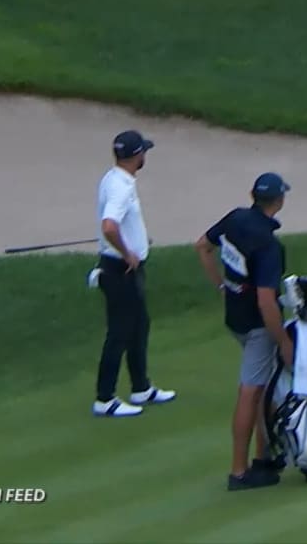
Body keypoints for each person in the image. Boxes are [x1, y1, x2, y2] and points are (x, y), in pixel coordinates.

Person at [193, 172, 295, 491]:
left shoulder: (236, 218)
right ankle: (239, 471)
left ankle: (266, 456)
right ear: (278, 201)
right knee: (251, 390)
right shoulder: (269, 246)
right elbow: (267, 300)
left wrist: (222, 286)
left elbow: (202, 247)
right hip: (256, 326)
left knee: (263, 386)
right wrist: (283, 341)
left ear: (253, 195)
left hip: (235, 317)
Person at [93, 130, 177, 417]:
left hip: (124, 267)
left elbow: (119, 225)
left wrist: (137, 242)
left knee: (139, 325)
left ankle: (141, 387)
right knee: (119, 332)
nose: (145, 156)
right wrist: (128, 253)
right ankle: (105, 398)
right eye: (144, 152)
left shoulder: (114, 178)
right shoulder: (122, 187)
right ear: (136, 155)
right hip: (120, 270)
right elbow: (109, 227)